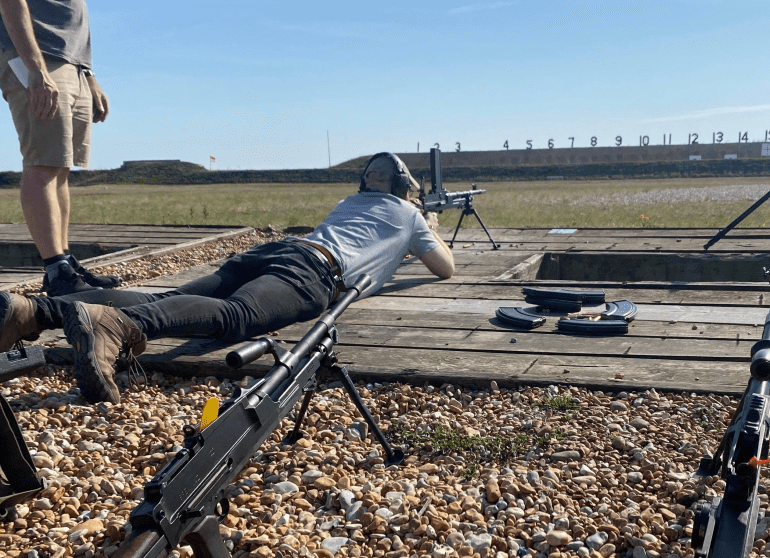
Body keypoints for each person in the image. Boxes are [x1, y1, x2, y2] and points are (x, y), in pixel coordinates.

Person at [0, 152, 455, 404]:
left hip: (271, 252)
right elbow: (444, 268)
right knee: (238, 317)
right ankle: (116, 326)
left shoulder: (347, 204)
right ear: (404, 189)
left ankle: (32, 311)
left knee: (174, 297)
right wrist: (427, 227)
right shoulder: (410, 213)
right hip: (314, 268)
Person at [0, 0, 122, 296]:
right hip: (37, 59)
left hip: (71, 63)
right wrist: (37, 69)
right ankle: (56, 270)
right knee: (41, 163)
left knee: (59, 166)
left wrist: (88, 74)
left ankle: (65, 262)